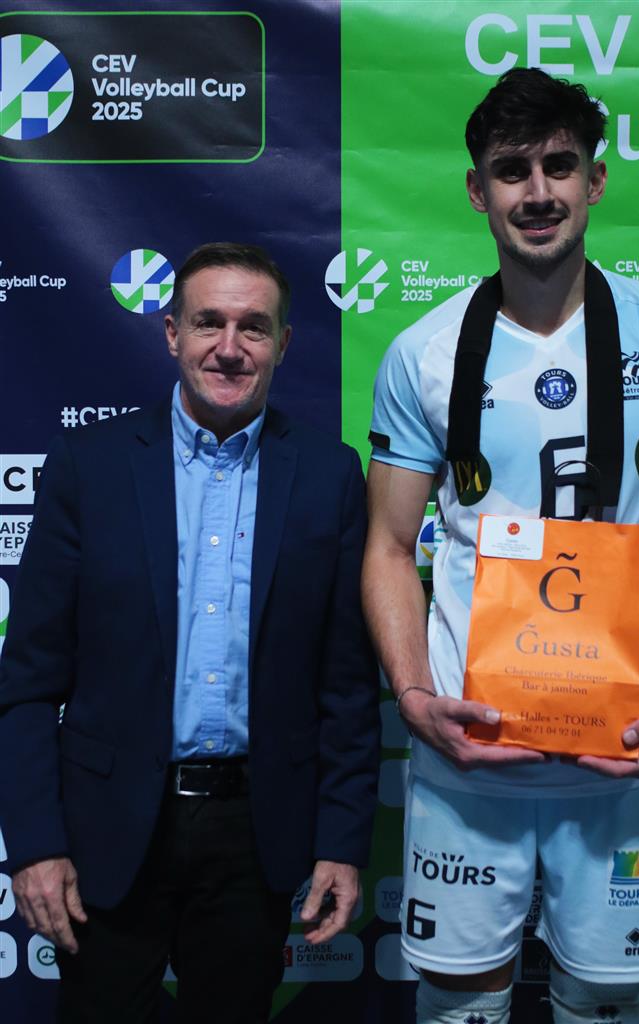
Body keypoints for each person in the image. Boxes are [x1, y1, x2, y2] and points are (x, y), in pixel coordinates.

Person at [362, 68, 639, 1024]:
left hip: (623, 754)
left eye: (558, 165)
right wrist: (413, 697)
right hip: (472, 756)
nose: (536, 191)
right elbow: (388, 546)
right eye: (511, 170)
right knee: (460, 1004)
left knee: (605, 1002)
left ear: (595, 181)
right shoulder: (421, 353)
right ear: (476, 190)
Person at [0, 241, 380, 1023]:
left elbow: (345, 686)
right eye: (209, 322)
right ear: (172, 333)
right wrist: (35, 844)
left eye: (253, 327)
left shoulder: (329, 475)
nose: (229, 348)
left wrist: (341, 844)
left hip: (256, 833)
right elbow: (29, 683)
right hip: (106, 829)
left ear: (283, 343)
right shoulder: (89, 465)